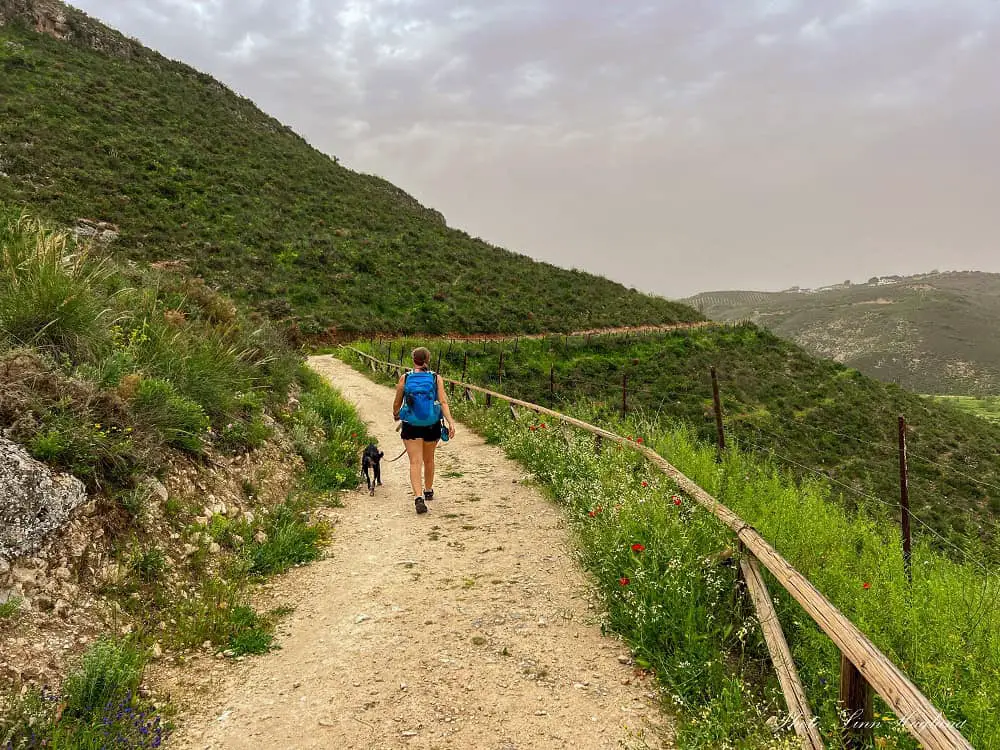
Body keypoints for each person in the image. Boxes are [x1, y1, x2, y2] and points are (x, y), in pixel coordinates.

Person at [392, 347, 456, 514]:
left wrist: (396, 414)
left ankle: (418, 497)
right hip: (431, 424)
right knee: (429, 460)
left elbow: (397, 401)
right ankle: (428, 490)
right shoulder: (436, 378)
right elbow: (443, 402)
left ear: (414, 360)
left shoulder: (405, 378)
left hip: (411, 424)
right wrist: (451, 422)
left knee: (415, 462)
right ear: (428, 359)